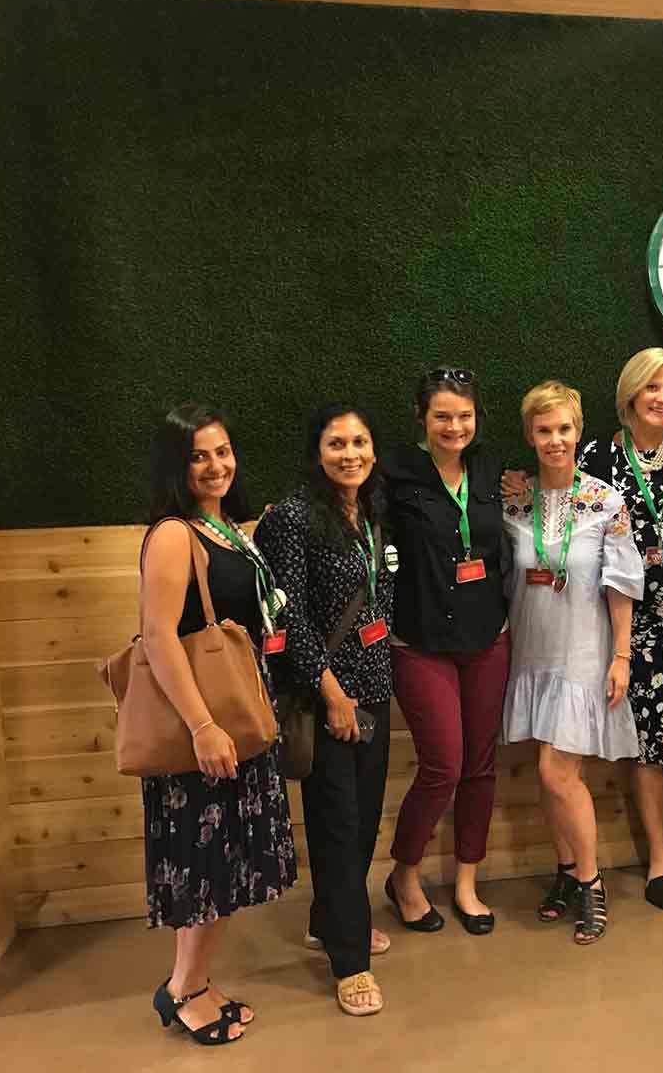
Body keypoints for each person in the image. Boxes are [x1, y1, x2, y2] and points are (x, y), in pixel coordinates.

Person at [141, 403, 296, 1045]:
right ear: (178, 465)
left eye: (223, 451)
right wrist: (203, 726)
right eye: (200, 455)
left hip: (242, 717)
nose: (216, 465)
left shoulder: (228, 526)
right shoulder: (176, 532)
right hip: (205, 730)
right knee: (203, 866)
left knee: (225, 865)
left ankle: (194, 980)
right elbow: (157, 636)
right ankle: (184, 991)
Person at [254, 404, 394, 1016]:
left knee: (362, 820)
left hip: (376, 685)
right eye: (337, 443)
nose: (351, 454)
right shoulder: (291, 518)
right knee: (337, 825)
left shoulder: (370, 511)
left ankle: (329, 919)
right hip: (327, 694)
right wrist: (330, 691)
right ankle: (350, 961)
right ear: (316, 452)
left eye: (360, 441)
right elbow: (286, 613)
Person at [502, 380, 645, 944]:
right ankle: (565, 872)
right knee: (551, 774)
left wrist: (622, 655)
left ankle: (591, 883)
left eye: (564, 429)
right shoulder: (513, 497)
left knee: (556, 771)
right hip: (531, 649)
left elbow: (622, 582)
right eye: (544, 430)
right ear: (530, 436)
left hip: (585, 651)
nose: (555, 440)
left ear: (578, 432)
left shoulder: (607, 501)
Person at [575, 349, 663, 910]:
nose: (662, 399)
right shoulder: (596, 456)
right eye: (653, 388)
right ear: (631, 392)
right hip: (627, 622)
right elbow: (578, 530)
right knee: (648, 746)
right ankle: (657, 854)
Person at [382, 368, 510, 937]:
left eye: (464, 415)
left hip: (487, 637)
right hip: (421, 642)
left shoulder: (488, 468)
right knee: (443, 765)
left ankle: (466, 882)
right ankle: (403, 876)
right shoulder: (393, 474)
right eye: (442, 416)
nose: (454, 426)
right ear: (421, 418)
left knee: (480, 768)